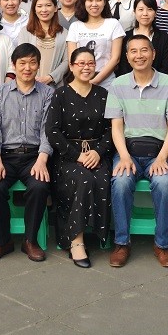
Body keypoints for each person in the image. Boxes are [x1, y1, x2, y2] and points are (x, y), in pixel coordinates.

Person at [106, 35, 168, 268]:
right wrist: (124, 156)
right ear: (127, 57)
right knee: (120, 182)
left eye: (144, 50)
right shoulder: (118, 85)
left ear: (153, 54)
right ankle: (121, 243)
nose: (139, 56)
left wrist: (162, 157)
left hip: (160, 151)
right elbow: (116, 127)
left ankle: (162, 244)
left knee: (164, 183)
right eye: (134, 51)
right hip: (128, 150)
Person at [0, 44, 54, 263]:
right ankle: (3, 241)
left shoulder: (48, 93)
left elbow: (48, 130)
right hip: (5, 156)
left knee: (40, 186)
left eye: (32, 63)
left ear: (38, 65)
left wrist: (42, 159)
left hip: (34, 156)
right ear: (13, 65)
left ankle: (30, 240)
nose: (27, 68)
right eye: (22, 63)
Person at [46, 47, 112, 268]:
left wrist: (98, 152)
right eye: (81, 63)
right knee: (83, 179)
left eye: (90, 63)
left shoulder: (103, 95)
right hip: (69, 156)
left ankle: (99, 234)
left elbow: (112, 130)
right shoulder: (60, 94)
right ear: (72, 67)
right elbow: (52, 131)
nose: (86, 67)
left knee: (102, 178)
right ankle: (76, 241)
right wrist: (77, 156)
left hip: (97, 153)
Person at [66, 0, 125, 88]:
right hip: (80, 81)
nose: (94, 4)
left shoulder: (113, 24)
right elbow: (72, 58)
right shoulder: (75, 26)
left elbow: (115, 58)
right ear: (84, 2)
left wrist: (95, 81)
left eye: (99, 0)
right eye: (90, 0)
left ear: (105, 2)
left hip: (107, 82)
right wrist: (84, 80)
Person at [14, 0, 69, 86]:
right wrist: (32, 78)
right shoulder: (26, 32)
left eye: (48, 5)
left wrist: (51, 77)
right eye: (39, 6)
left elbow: (67, 61)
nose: (44, 10)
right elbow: (21, 58)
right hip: (30, 84)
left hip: (55, 86)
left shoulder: (64, 33)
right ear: (34, 9)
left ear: (56, 8)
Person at [116, 0, 168, 76]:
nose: (145, 13)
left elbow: (166, 67)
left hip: (159, 82)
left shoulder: (164, 38)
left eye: (149, 9)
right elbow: (123, 67)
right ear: (134, 12)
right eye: (141, 9)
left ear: (155, 13)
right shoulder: (126, 37)